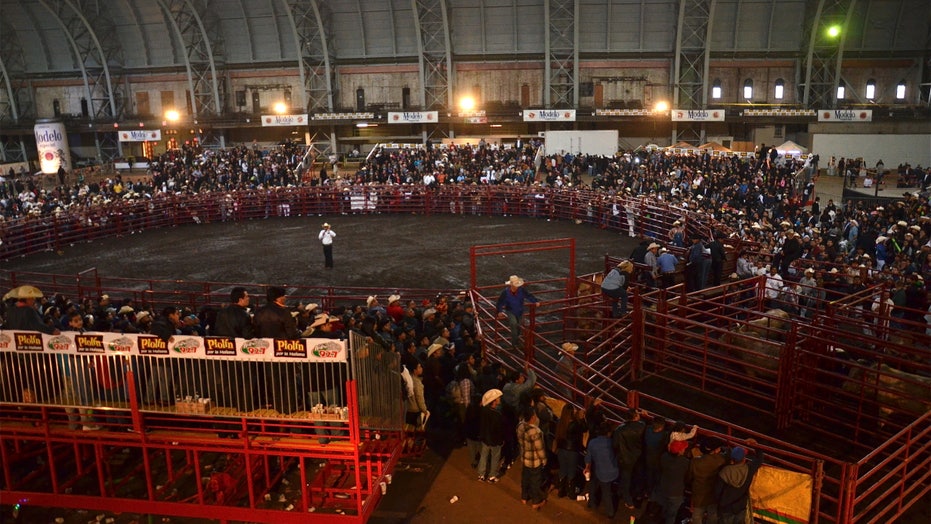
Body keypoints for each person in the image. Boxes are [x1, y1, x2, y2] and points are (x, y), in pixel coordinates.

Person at [716, 439, 764, 524]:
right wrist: (756, 445)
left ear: (732, 459)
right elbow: (759, 459)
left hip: (726, 508)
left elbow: (718, 491)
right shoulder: (749, 469)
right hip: (740, 507)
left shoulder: (724, 471)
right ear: (744, 459)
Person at [584, 421, 619, 519]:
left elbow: (588, 458)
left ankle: (591, 503)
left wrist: (587, 468)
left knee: (593, 484)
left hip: (599, 470)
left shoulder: (592, 442)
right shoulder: (612, 442)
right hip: (611, 472)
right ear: (608, 432)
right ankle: (610, 512)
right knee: (606, 491)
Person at [689, 438, 728, 524]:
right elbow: (729, 456)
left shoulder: (695, 461)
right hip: (713, 494)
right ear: (714, 450)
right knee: (712, 516)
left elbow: (689, 477)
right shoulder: (720, 460)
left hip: (698, 494)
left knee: (696, 516)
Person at [613, 408, 646, 510]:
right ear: (635, 417)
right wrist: (644, 416)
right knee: (636, 478)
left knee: (626, 479)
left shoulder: (619, 429)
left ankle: (626, 498)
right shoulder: (642, 426)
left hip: (624, 459)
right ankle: (634, 496)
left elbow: (615, 444)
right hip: (637, 457)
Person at [516, 408, 548, 510]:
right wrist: (544, 459)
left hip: (525, 457)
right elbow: (539, 448)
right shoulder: (535, 431)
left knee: (525, 478)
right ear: (533, 417)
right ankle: (536, 502)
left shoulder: (520, 426)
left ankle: (524, 498)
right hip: (534, 461)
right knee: (535, 481)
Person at [496, 275, 539, 348]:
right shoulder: (506, 292)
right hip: (510, 311)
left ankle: (516, 341)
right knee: (514, 324)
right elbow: (500, 302)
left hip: (519, 310)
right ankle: (515, 342)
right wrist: (500, 311)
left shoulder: (520, 290)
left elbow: (529, 295)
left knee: (518, 326)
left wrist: (535, 301)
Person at [553, 403, 586, 498]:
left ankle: (561, 491)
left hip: (561, 450)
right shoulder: (576, 424)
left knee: (563, 470)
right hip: (572, 451)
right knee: (571, 471)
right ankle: (571, 493)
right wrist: (582, 418)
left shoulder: (560, 422)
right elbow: (584, 428)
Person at [659, 440, 692, 524]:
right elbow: (688, 477)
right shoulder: (685, 462)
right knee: (672, 514)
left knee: (665, 507)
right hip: (676, 492)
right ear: (680, 451)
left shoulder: (664, 457)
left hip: (664, 487)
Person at [478, 388, 505, 483]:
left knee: (484, 456)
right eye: (498, 398)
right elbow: (499, 429)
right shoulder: (497, 414)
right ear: (494, 401)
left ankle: (481, 475)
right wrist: (501, 440)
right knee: (495, 458)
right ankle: (492, 476)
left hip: (485, 439)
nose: (499, 399)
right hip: (495, 441)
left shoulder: (484, 411)